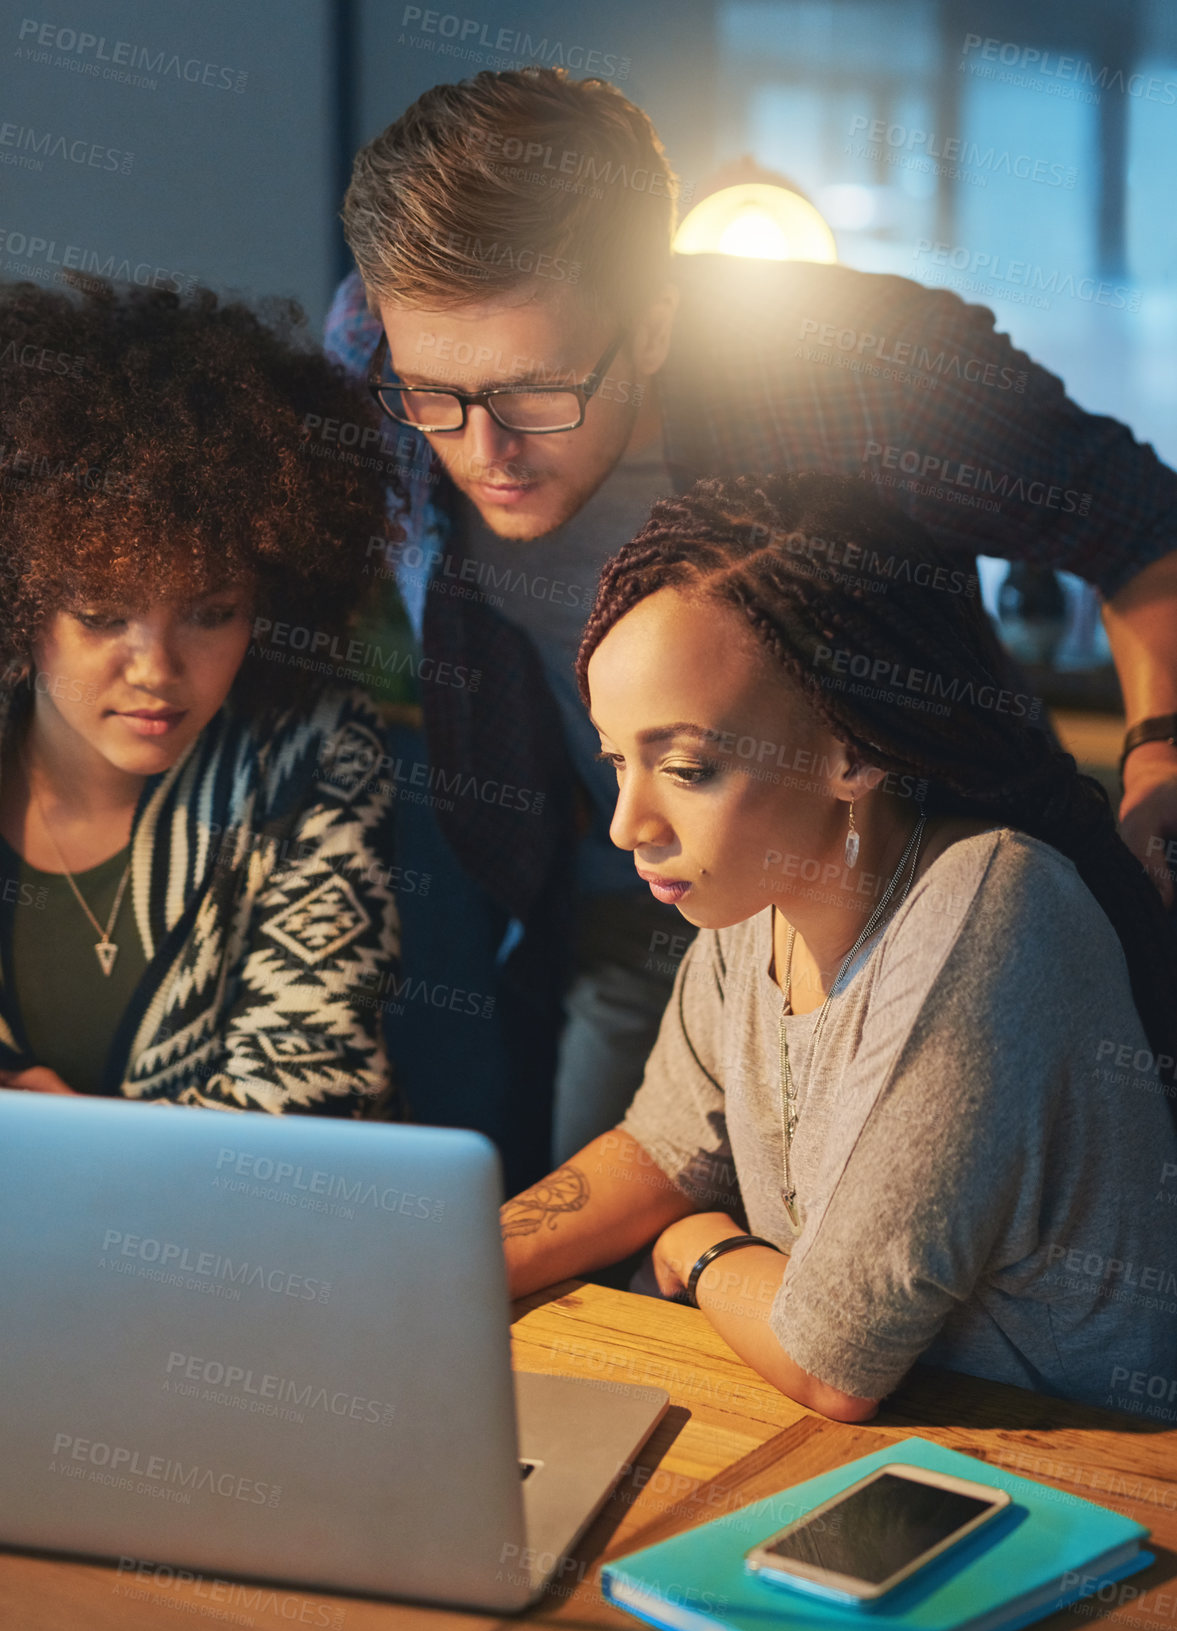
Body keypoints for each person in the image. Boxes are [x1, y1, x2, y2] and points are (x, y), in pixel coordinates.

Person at [329, 66, 1177, 1169]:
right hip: (624, 900)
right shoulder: (370, 353)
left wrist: (1159, 754)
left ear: (655, 324)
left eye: (538, 393)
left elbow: (1143, 530)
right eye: (436, 395)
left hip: (913, 898)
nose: (483, 454)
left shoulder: (860, 370)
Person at [500, 472, 1177, 1421]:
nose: (625, 825)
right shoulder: (753, 895)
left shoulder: (990, 908)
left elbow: (832, 1360)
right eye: (618, 759)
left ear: (852, 751)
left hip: (1081, 1489)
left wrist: (703, 1249)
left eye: (687, 768)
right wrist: (458, 1264)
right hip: (895, 1459)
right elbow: (663, 1150)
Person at [0, 280, 401, 1112]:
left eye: (212, 615)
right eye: (104, 615)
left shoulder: (312, 754)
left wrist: (46, 1118)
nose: (155, 667)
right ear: (24, 601)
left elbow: (303, 1106)